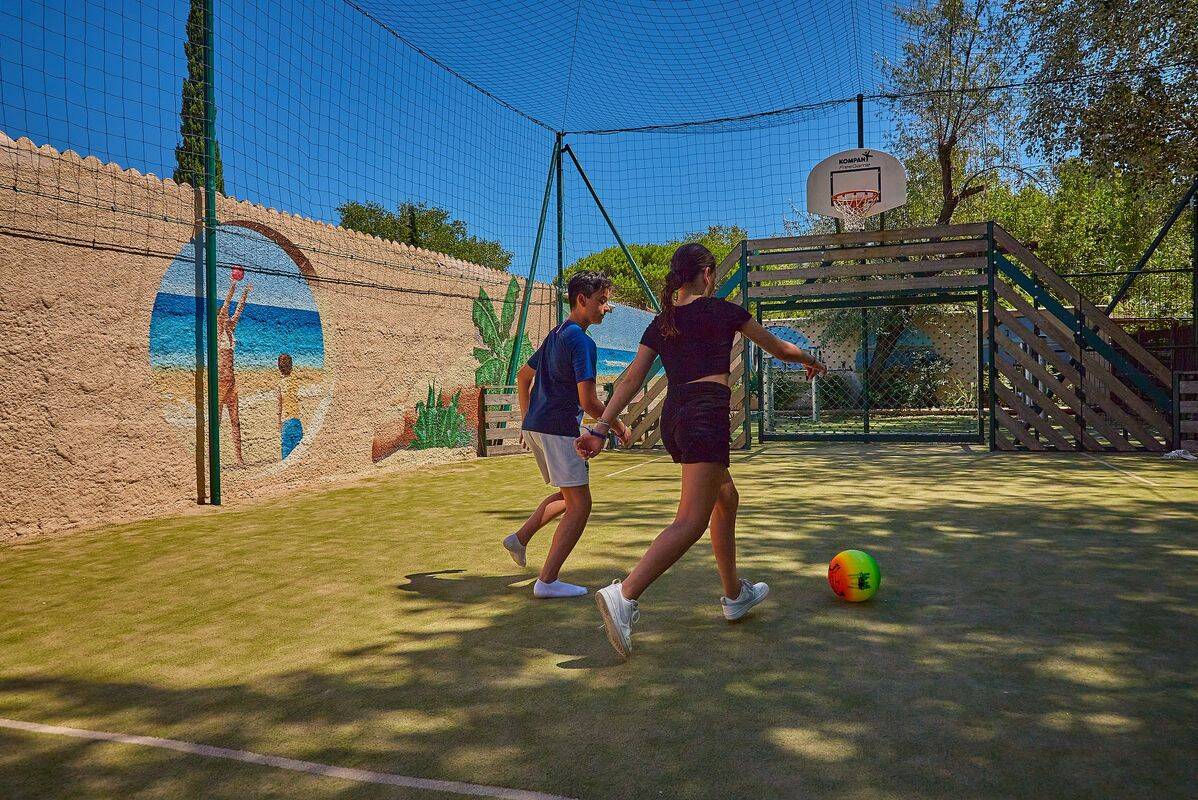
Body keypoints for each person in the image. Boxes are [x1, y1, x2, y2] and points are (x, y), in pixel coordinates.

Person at [577, 243, 826, 658]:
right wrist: (812, 361)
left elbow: (632, 379)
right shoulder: (724, 310)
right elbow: (780, 349)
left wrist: (601, 427)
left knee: (725, 497)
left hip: (674, 418)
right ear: (707, 274)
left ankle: (734, 595)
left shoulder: (663, 322)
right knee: (691, 521)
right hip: (705, 416)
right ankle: (625, 593)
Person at [502, 271, 632, 599]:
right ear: (581, 300)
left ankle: (519, 539)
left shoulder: (556, 334)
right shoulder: (582, 342)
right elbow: (587, 400)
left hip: (538, 427)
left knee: (567, 497)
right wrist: (615, 425)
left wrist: (527, 419)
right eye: (602, 301)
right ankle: (547, 581)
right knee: (581, 505)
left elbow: (522, 376)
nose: (606, 308)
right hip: (558, 430)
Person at [217, 278, 252, 467]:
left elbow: (239, 309)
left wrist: (245, 292)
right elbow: (227, 305)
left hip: (232, 382)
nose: (229, 317)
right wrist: (233, 285)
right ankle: (213, 458)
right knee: (218, 421)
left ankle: (239, 459)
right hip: (220, 382)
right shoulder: (218, 330)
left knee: (235, 421)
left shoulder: (230, 330)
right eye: (224, 316)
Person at [277, 353, 303, 461]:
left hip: (286, 420)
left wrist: (278, 422)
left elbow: (279, 405)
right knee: (298, 448)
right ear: (291, 367)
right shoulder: (295, 382)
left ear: (279, 368)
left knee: (286, 450)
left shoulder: (280, 384)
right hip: (296, 419)